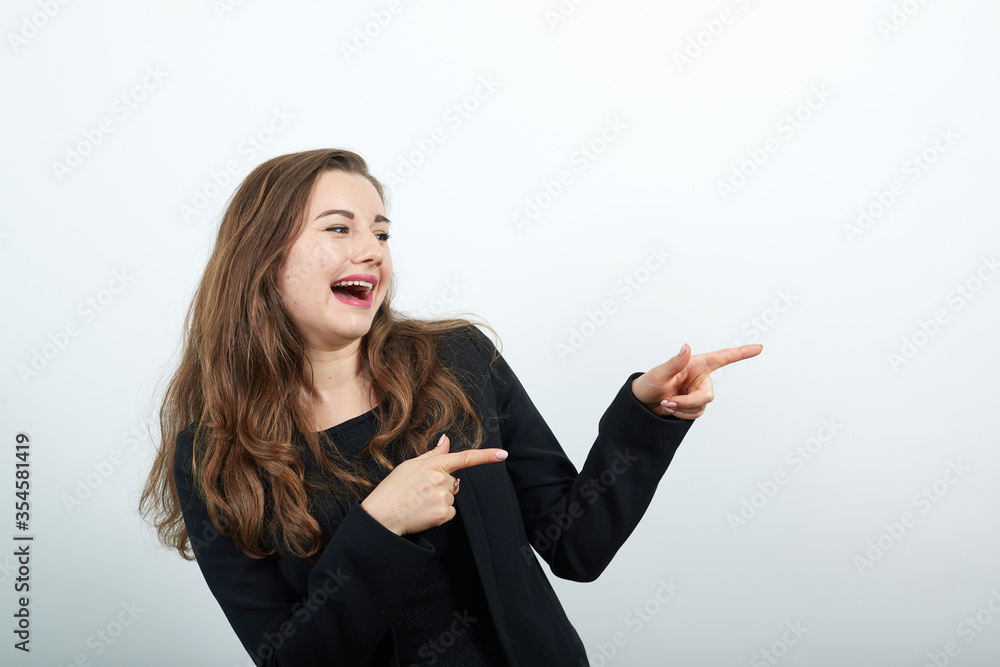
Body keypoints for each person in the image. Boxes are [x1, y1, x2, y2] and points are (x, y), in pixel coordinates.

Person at [139, 148, 762, 666]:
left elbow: (577, 546)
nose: (372, 250)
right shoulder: (213, 454)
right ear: (261, 254)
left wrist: (648, 418)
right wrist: (379, 526)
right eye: (339, 228)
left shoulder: (456, 360)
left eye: (381, 232)